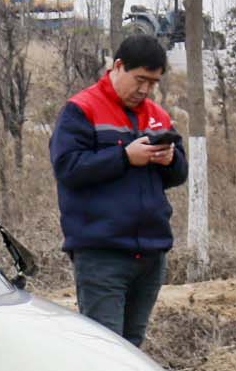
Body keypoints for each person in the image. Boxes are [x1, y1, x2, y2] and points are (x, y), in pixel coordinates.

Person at [49, 33, 188, 347]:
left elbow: (179, 175)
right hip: (102, 254)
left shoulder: (157, 116)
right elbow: (68, 168)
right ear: (118, 66)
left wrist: (169, 159)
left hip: (151, 253)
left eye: (153, 83)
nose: (145, 90)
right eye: (140, 80)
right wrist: (124, 157)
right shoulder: (81, 110)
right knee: (107, 350)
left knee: (132, 349)